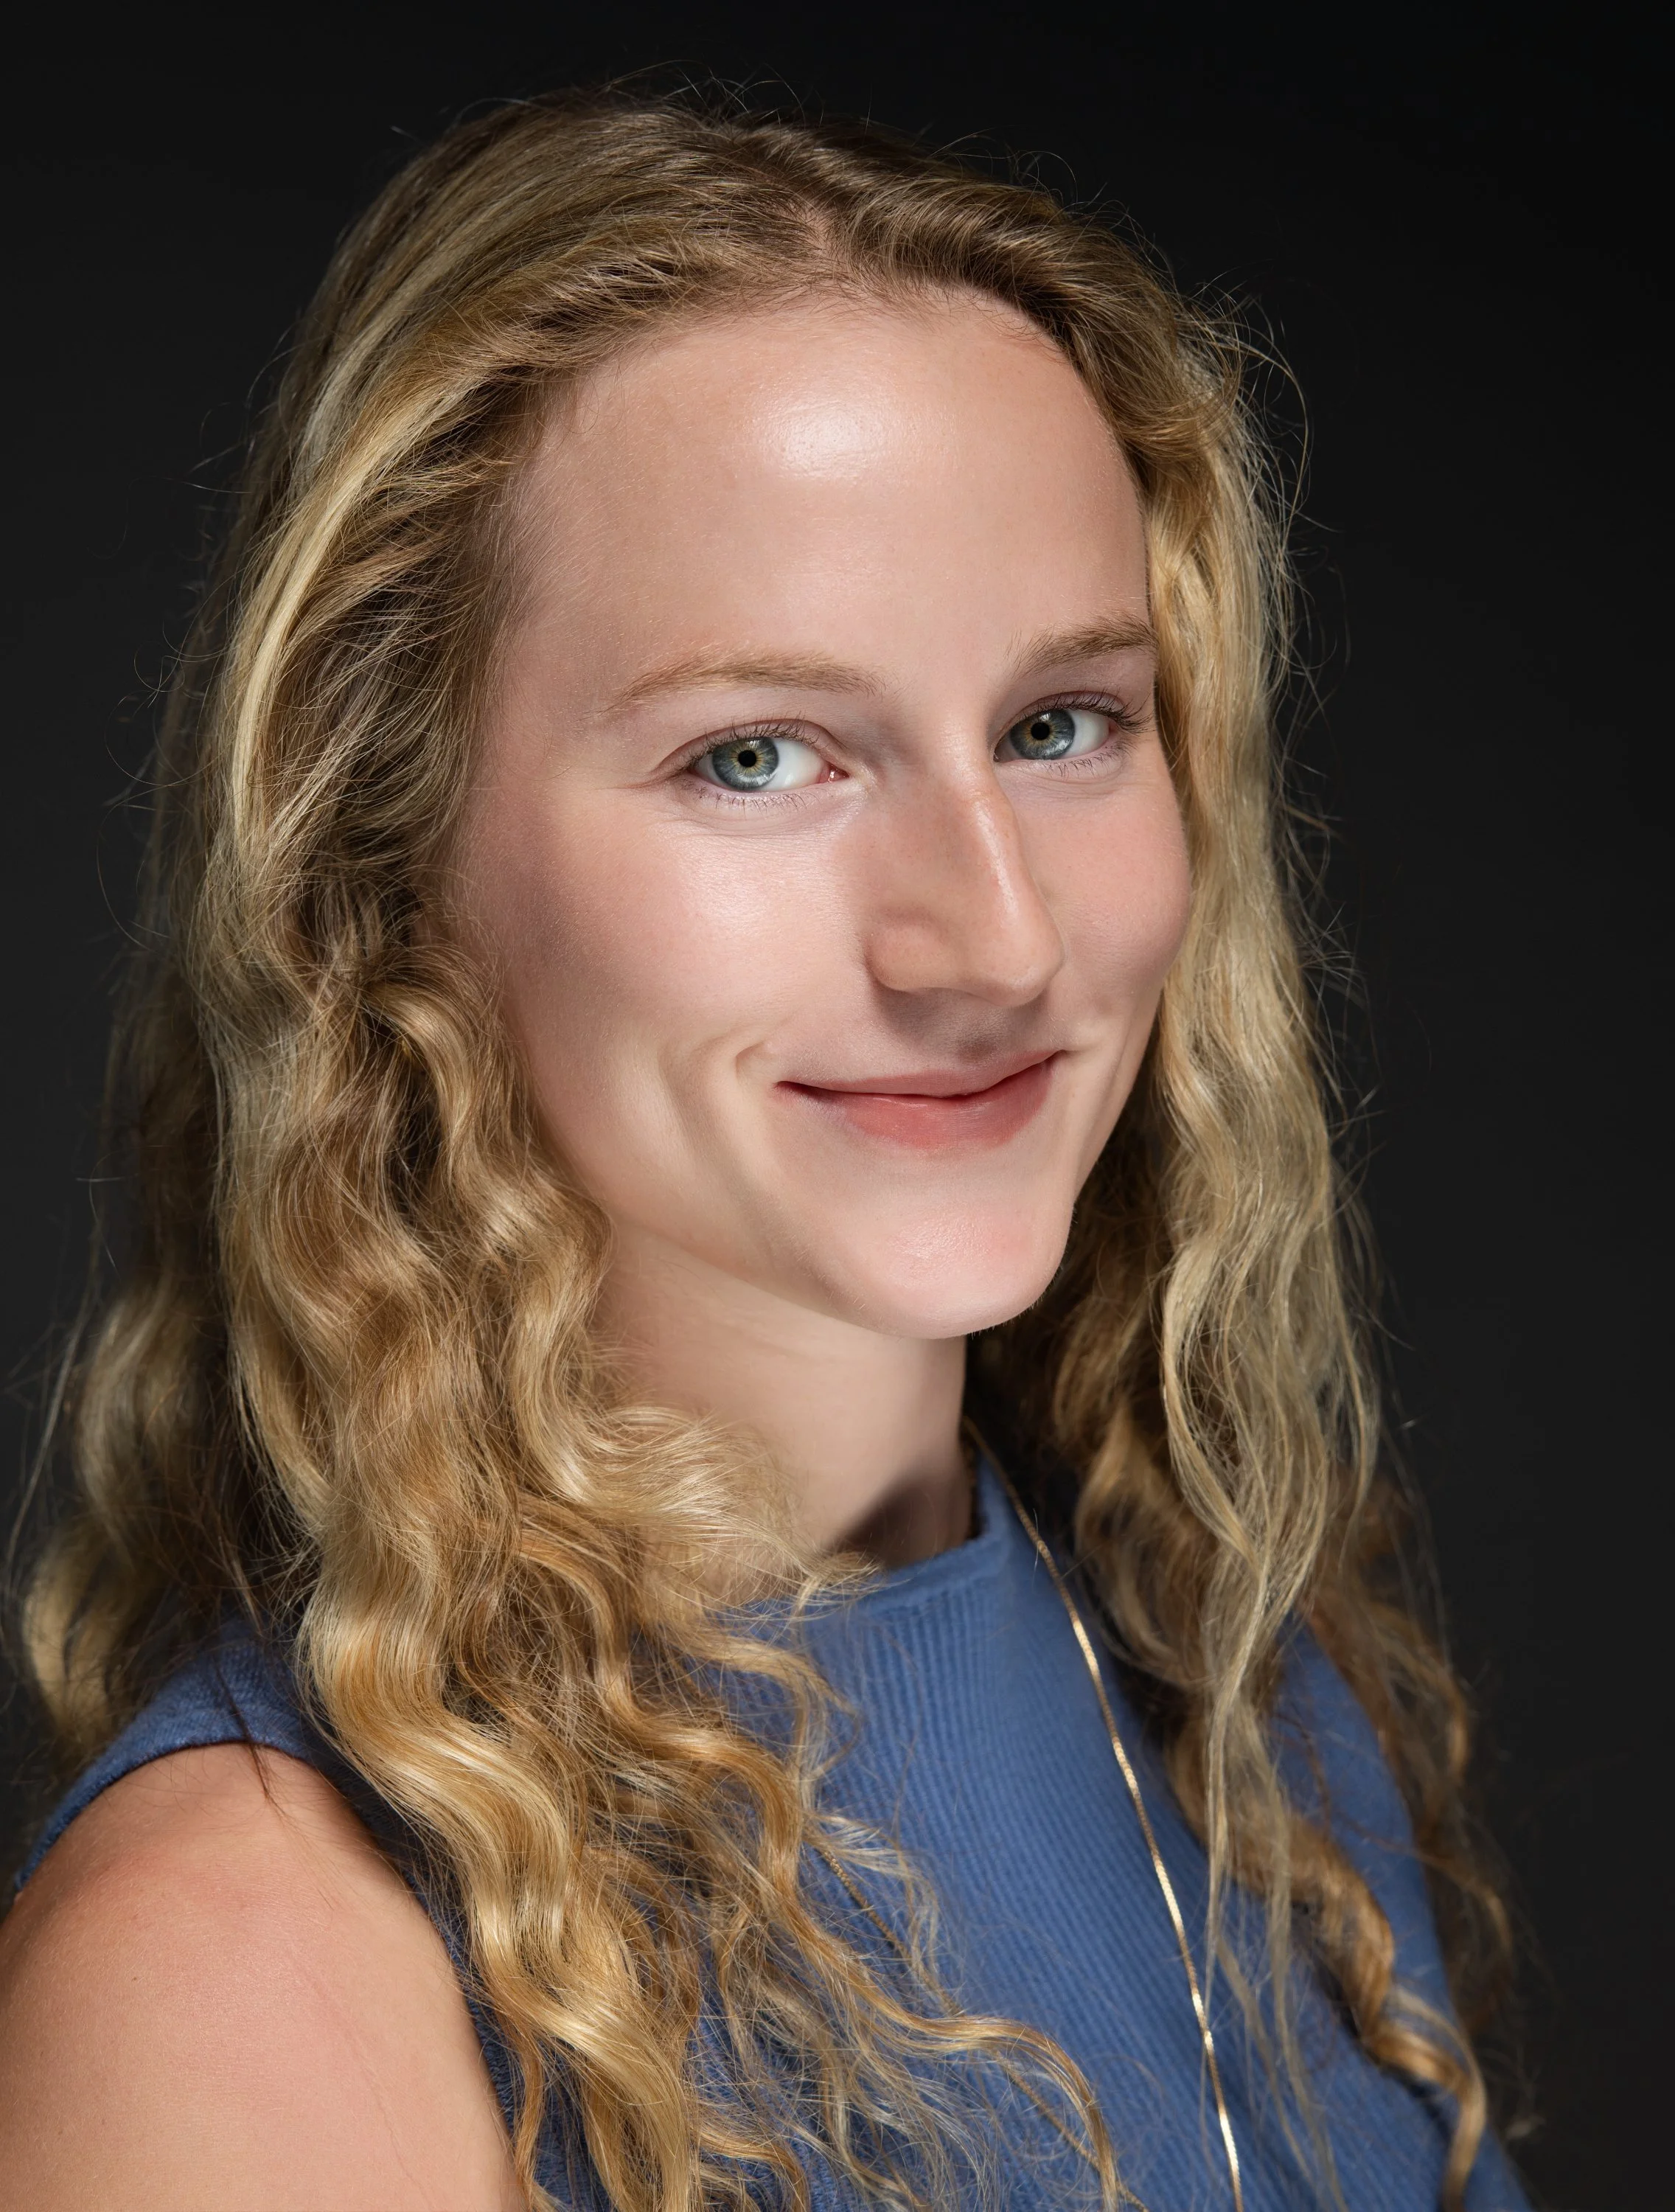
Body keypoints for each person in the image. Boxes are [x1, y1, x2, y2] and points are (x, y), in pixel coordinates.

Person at [0, 89, 1525, 2212]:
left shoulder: (1237, 1692)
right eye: (759, 755)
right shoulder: (255, 1970)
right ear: (385, 855)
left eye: (1062, 723)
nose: (992, 938)